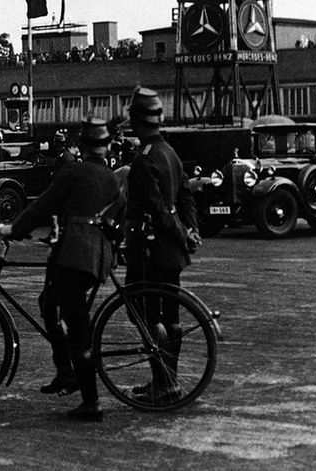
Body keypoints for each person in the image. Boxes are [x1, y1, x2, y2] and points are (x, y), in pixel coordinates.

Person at [0, 117, 124, 422]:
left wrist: (14, 228)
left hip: (75, 255)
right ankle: (65, 371)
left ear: (81, 146)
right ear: (105, 147)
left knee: (75, 324)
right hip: (95, 254)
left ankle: (91, 402)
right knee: (48, 303)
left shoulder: (75, 171)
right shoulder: (111, 178)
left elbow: (44, 204)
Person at [123, 87, 200, 405]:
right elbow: (185, 197)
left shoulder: (144, 161)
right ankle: (167, 380)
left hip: (150, 253)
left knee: (144, 314)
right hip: (172, 254)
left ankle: (164, 384)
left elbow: (159, 209)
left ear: (136, 121)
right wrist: (191, 231)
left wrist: (183, 233)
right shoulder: (170, 152)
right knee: (171, 316)